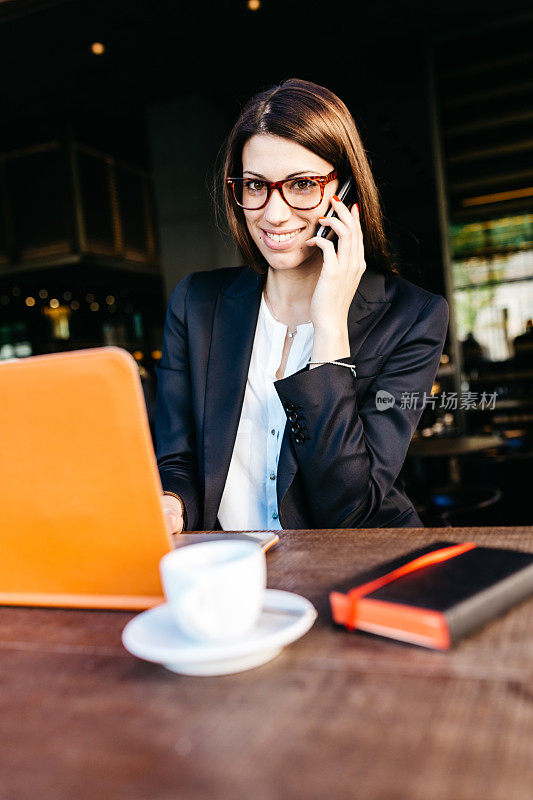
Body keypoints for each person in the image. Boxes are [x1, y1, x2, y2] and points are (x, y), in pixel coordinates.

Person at [156, 78, 449, 534]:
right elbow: (179, 460)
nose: (274, 213)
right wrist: (172, 503)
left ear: (345, 189)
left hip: (350, 573)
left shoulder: (412, 316)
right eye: (255, 185)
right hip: (234, 571)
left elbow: (351, 510)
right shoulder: (196, 304)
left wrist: (329, 325)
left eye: (301, 184)